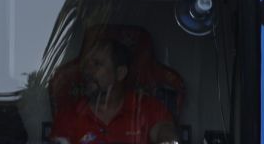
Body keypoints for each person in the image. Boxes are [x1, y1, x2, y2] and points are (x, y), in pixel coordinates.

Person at [48, 36, 177, 144]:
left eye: (97, 64)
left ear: (120, 73)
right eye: (86, 64)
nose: (87, 71)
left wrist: (167, 138)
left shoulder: (148, 108)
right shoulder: (68, 115)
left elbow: (166, 135)